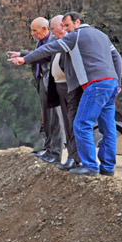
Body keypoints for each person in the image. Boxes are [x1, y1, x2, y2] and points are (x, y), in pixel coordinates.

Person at [9, 12, 122, 176]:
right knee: (108, 127)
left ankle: (90, 166)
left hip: (95, 85)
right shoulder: (101, 35)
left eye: (67, 25)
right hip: (111, 83)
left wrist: (24, 60)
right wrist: (118, 82)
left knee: (81, 123)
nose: (66, 29)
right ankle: (108, 167)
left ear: (77, 22)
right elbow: (117, 58)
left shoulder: (75, 36)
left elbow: (48, 48)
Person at [7, 17, 63, 164]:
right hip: (41, 82)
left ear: (45, 29)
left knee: (55, 119)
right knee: (46, 118)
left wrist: (25, 58)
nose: (32, 34)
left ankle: (56, 152)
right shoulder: (41, 41)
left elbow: (44, 56)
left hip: (52, 83)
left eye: (34, 30)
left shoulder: (53, 40)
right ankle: (48, 148)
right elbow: (37, 52)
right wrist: (21, 54)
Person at [48, 15, 80, 170]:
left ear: (61, 26)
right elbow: (45, 53)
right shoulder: (58, 43)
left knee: (73, 123)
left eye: (53, 29)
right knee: (67, 124)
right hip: (60, 88)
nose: (52, 32)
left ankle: (75, 158)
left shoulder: (72, 41)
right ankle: (73, 157)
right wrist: (23, 56)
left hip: (71, 88)